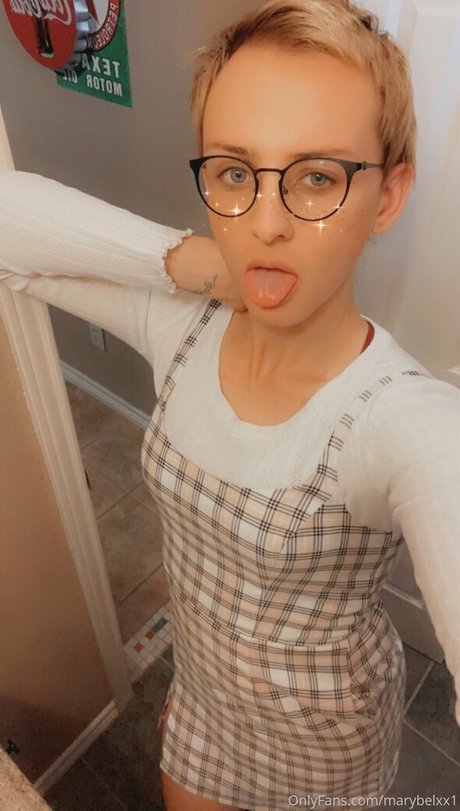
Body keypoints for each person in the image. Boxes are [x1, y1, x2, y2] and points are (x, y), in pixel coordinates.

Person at [1, 1, 459, 808]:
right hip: (205, 701)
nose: (267, 225)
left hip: (328, 750)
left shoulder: (402, 419)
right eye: (236, 173)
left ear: (387, 197)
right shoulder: (182, 326)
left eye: (317, 177)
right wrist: (192, 262)